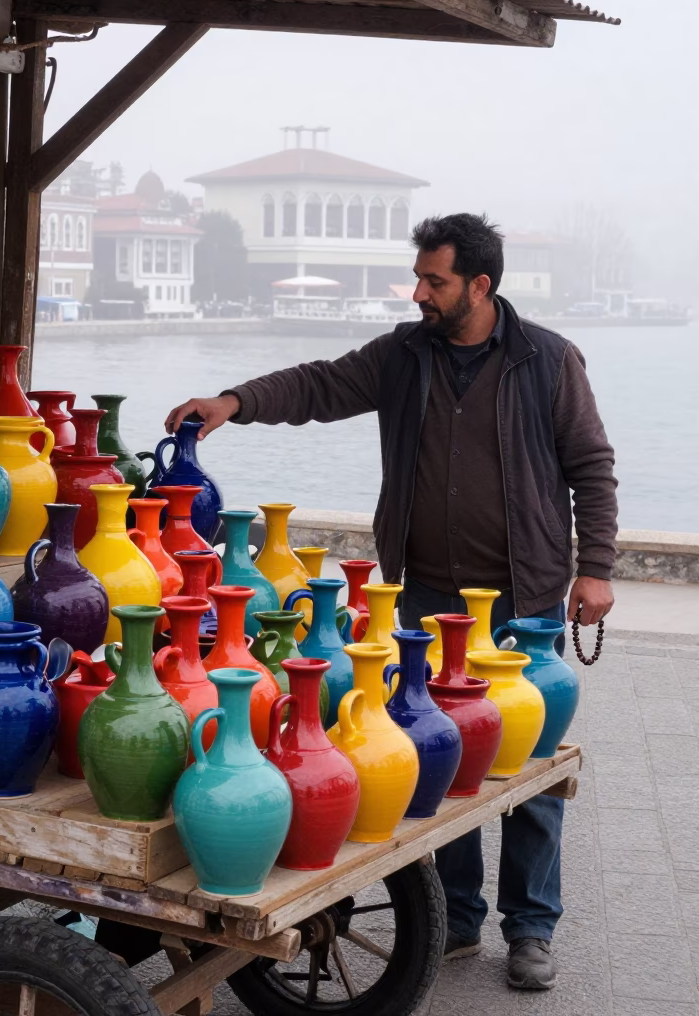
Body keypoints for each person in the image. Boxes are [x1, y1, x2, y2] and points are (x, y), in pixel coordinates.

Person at [164, 213, 617, 992]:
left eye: (433, 280)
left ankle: (532, 928)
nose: (418, 294)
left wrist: (597, 568)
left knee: (530, 769)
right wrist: (236, 401)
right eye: (419, 278)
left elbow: (591, 464)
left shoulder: (547, 359)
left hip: (523, 596)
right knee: (439, 764)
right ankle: (460, 918)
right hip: (426, 597)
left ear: (480, 284)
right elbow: (320, 383)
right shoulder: (405, 356)